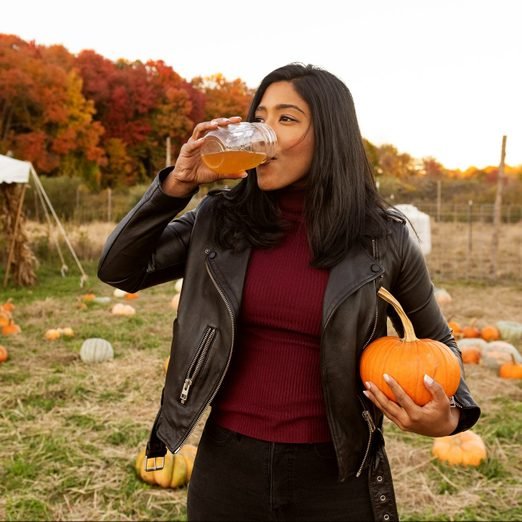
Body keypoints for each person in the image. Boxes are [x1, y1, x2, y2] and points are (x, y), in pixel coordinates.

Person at [98, 63, 480, 521]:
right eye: (261, 118)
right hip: (227, 469)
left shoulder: (384, 238)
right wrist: (175, 186)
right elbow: (120, 269)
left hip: (337, 475)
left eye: (287, 118)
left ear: (330, 136)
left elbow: (443, 347)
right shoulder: (221, 219)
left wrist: (448, 418)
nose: (267, 134)